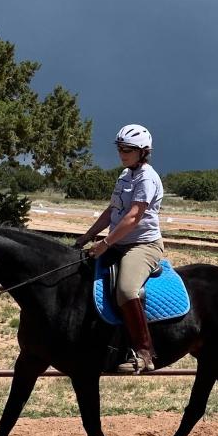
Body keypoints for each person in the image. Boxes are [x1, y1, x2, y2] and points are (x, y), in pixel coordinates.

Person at [75, 124, 164, 373]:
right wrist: (87, 236)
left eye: (128, 149)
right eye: (120, 148)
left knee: (126, 289)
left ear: (143, 152)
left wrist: (104, 243)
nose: (122, 153)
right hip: (118, 241)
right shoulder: (125, 175)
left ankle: (145, 352)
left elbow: (134, 216)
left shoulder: (148, 177)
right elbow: (112, 211)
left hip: (143, 244)